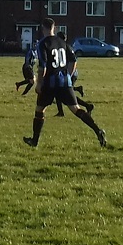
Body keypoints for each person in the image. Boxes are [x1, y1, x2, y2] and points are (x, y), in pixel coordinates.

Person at [24, 19, 106, 149]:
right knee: (76, 109)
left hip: (50, 83)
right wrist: (67, 74)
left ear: (42, 28)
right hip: (64, 82)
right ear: (54, 28)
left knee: (40, 110)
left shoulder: (42, 44)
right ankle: (98, 131)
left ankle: (34, 141)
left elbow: (42, 67)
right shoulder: (62, 42)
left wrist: (39, 84)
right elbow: (73, 60)